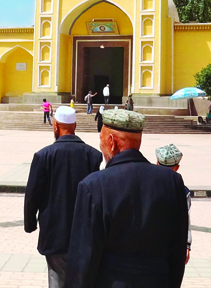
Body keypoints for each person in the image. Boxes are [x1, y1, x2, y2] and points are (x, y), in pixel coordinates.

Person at [66, 109, 188, 288]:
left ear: (111, 142)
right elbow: (178, 249)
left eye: (101, 141)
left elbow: (83, 257)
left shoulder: (94, 185)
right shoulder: (171, 181)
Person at [25, 106, 102, 288]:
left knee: (57, 280)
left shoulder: (43, 156)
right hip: (84, 233)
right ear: (74, 126)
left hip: (54, 234)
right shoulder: (92, 156)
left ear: (56, 126)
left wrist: (30, 223)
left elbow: (32, 195)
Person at [155, 144, 192, 265]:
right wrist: (187, 245)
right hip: (172, 243)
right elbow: (185, 219)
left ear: (156, 163)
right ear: (177, 167)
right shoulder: (182, 190)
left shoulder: (146, 184)